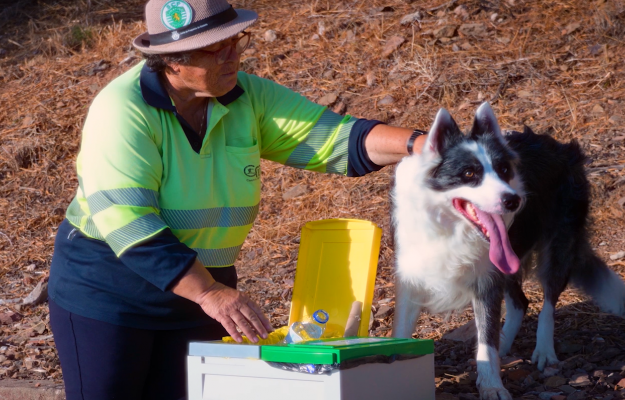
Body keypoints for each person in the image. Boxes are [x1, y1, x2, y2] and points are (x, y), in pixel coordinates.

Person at [47, 0, 428, 398]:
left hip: (199, 294)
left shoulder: (246, 96)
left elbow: (338, 138)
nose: (233, 57)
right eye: (216, 50)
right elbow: (129, 222)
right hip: (112, 295)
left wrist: (422, 144)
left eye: (235, 41)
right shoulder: (122, 109)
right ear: (171, 61)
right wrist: (210, 294)